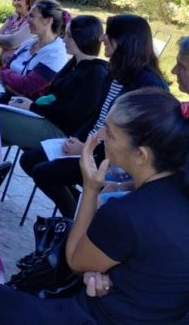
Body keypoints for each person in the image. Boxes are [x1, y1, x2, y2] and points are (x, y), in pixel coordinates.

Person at [0, 88, 189, 325]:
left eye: (110, 132)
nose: (101, 136)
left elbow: (75, 260)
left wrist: (91, 188)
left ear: (141, 155)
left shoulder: (131, 214)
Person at [19, 14, 169, 218]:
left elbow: (134, 138)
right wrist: (78, 140)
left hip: (114, 159)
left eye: (109, 35)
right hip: (92, 145)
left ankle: (76, 216)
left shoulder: (147, 84)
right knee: (30, 160)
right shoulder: (115, 72)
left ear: (124, 41)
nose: (102, 39)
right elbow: (96, 115)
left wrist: (88, 148)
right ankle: (78, 210)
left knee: (43, 172)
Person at [1, 15, 109, 149]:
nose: (64, 40)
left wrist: (32, 107)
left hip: (60, 132)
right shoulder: (75, 63)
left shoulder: (96, 74)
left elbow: (72, 116)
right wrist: (31, 104)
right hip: (47, 120)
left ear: (83, 38)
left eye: (69, 36)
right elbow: (52, 97)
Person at [0, 0, 69, 100]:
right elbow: (3, 70)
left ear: (47, 21)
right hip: (8, 98)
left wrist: (6, 80)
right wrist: (10, 81)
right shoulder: (28, 44)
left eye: (32, 16)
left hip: (26, 112)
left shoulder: (56, 54)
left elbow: (27, 87)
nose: (27, 20)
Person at [0, 0, 42, 68]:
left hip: (18, 66)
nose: (15, 3)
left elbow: (13, 42)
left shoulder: (31, 22)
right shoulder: (12, 18)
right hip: (2, 62)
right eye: (14, 0)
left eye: (19, 0)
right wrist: (2, 40)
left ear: (29, 2)